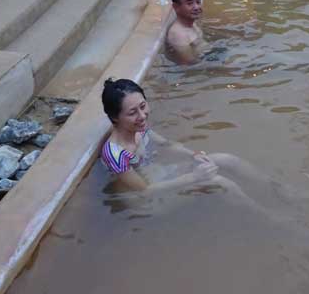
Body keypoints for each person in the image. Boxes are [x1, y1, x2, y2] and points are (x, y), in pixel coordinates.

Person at [99, 78, 276, 202]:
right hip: (147, 201)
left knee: (226, 159)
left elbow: (166, 144)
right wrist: (194, 177)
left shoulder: (139, 128)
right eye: (132, 112)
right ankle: (268, 217)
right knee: (220, 182)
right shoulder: (115, 154)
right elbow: (145, 192)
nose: (142, 115)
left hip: (159, 175)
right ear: (115, 117)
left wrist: (194, 155)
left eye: (143, 106)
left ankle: (280, 191)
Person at [165, 0, 205, 65]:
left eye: (198, 2)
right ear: (176, 7)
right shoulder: (179, 35)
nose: (196, 7)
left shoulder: (192, 23)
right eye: (190, 3)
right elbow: (190, 64)